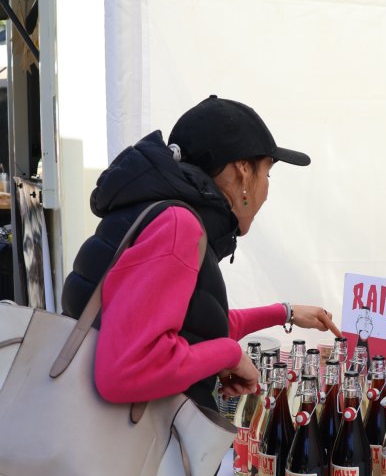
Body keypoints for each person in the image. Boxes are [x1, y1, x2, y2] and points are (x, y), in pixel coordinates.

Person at [61, 95, 341, 429]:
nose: (266, 189)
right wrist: (229, 355)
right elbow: (125, 371)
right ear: (242, 171)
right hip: (130, 446)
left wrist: (286, 312)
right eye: (267, 173)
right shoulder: (178, 226)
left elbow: (193, 325)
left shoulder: (158, 211)